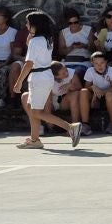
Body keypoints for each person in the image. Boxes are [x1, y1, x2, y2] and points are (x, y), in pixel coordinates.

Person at [11, 11, 82, 149]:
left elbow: (29, 63)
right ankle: (35, 139)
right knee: (32, 108)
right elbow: (29, 46)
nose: (26, 25)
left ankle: (70, 127)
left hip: (39, 77)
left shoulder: (36, 41)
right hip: (42, 76)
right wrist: (31, 34)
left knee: (36, 111)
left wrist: (19, 81)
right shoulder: (45, 38)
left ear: (35, 25)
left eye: (28, 22)